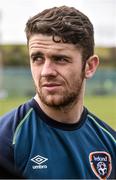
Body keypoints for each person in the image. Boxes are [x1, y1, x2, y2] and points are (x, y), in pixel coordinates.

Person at [0, 5, 115, 179]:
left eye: (60, 59)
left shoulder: (110, 143)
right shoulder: (6, 139)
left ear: (90, 66)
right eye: (37, 58)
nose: (46, 71)